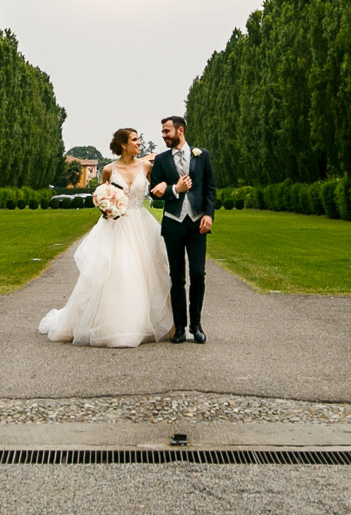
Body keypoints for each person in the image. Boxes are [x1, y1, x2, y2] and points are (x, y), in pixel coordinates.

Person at [36, 127, 174, 348]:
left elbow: (161, 185)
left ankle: (149, 321)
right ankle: (114, 323)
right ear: (123, 144)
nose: (139, 143)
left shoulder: (146, 167)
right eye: (135, 140)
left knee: (148, 270)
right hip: (116, 226)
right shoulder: (109, 170)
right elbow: (102, 195)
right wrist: (107, 207)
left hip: (141, 224)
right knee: (118, 271)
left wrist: (165, 185)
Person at [146, 114, 216, 344]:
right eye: (163, 132)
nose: (164, 135)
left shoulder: (202, 155)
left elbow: (209, 188)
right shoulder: (162, 160)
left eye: (167, 131)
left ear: (180, 131)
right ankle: (180, 327)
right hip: (173, 224)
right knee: (176, 278)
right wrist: (175, 189)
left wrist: (208, 215)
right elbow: (153, 191)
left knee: (197, 274)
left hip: (198, 224)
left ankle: (196, 325)